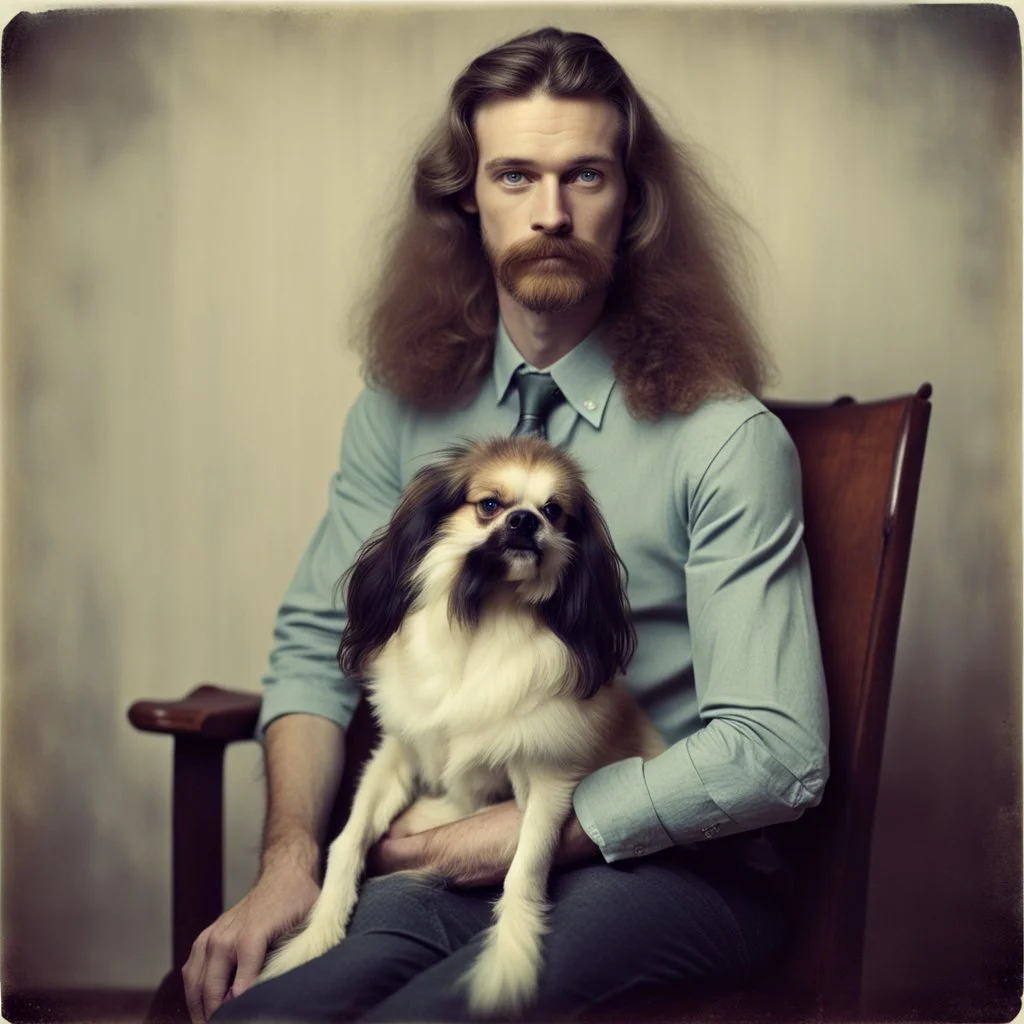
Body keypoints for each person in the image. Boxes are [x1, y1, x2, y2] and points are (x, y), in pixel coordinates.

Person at [185, 26, 830, 1024]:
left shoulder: (723, 437)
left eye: (587, 176)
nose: (552, 212)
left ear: (634, 205)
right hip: (450, 848)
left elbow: (775, 748)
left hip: (671, 871)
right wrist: (289, 864)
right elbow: (320, 642)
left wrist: (535, 829)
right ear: (466, 201)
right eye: (516, 175)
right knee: (262, 1017)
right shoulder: (397, 410)